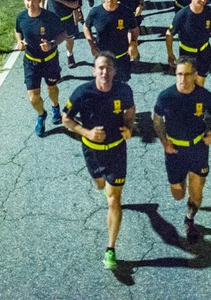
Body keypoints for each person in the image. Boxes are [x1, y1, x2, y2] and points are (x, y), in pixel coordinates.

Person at [62, 53, 136, 270]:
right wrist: (86, 132)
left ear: (114, 71)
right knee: (100, 185)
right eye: (100, 68)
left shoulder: (124, 90)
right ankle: (105, 186)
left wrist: (129, 128)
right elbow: (66, 119)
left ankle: (110, 249)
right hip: (92, 152)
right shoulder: (82, 93)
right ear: (94, 71)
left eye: (108, 68)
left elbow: (130, 110)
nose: (105, 72)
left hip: (116, 151)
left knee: (114, 201)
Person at [153, 59, 211, 242]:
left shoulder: (204, 96)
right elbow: (158, 119)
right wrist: (164, 142)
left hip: (198, 148)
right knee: (178, 194)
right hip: (174, 151)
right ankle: (181, 182)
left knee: (196, 193)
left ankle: (189, 220)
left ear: (194, 75)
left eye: (186, 74)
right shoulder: (166, 97)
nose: (182, 79)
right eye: (179, 74)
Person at [15, 0, 67, 136]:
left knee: (52, 89)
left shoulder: (50, 17)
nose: (30, 4)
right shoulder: (21, 18)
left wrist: (51, 44)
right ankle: (41, 114)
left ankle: (55, 106)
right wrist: (20, 42)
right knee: (33, 97)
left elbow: (63, 34)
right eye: (27, 0)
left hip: (50, 60)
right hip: (31, 62)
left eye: (33, 0)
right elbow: (18, 31)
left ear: (40, 0)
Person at [83, 0, 140, 82]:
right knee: (104, 85)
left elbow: (134, 29)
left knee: (122, 85)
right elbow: (86, 27)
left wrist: (133, 42)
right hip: (103, 58)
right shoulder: (95, 12)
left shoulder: (126, 12)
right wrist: (92, 45)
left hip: (121, 57)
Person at [40, 0, 80, 70]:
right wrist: (42, 11)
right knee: (52, 43)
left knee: (69, 39)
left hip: (67, 18)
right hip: (52, 20)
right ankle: (55, 64)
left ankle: (70, 54)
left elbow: (75, 4)